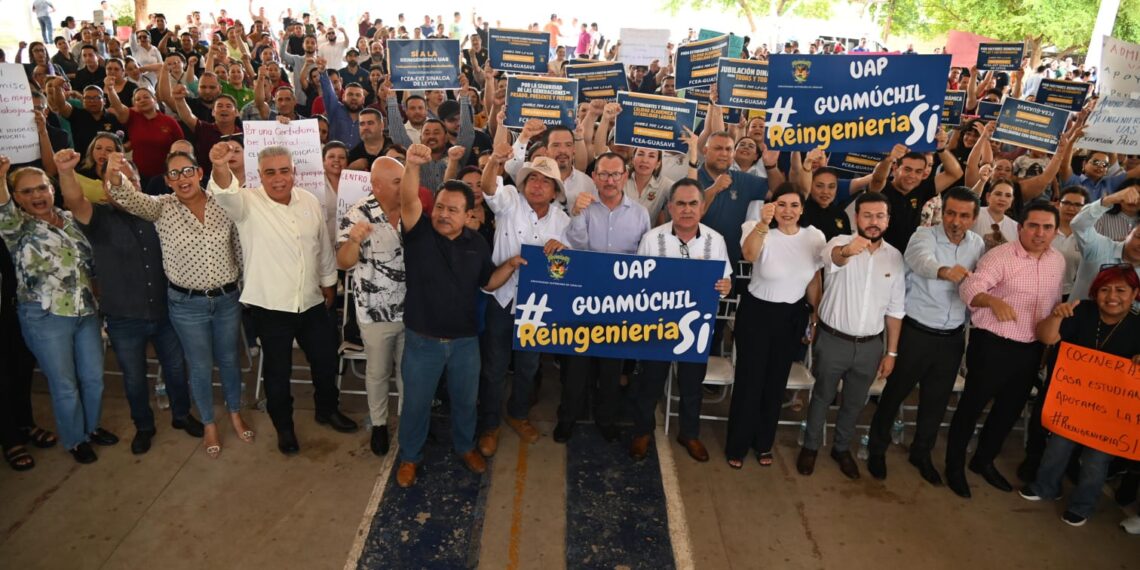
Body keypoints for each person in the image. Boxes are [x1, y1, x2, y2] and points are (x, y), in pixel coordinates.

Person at [207, 143, 358, 455]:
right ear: (259, 175)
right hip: (270, 306)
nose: (278, 179)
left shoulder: (309, 201)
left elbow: (322, 248)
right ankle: (284, 427)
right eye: (270, 173)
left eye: (284, 171)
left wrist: (329, 282)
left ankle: (327, 409)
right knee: (278, 372)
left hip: (312, 300)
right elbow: (224, 194)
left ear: (294, 172)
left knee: (326, 361)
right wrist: (221, 166)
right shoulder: (246, 203)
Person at [55, 148, 206, 455]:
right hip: (124, 317)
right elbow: (73, 201)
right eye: (116, 180)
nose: (124, 184)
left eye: (130, 178)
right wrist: (66, 172)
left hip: (165, 311)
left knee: (177, 370)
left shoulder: (160, 212)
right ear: (107, 187)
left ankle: (181, 415)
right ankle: (144, 426)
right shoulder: (97, 219)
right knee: (134, 378)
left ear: (138, 184)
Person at [393, 144, 525, 488]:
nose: (443, 214)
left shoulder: (477, 244)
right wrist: (411, 166)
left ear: (469, 215)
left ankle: (465, 447)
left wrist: (509, 267)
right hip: (422, 341)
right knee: (417, 405)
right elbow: (408, 200)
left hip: (466, 341)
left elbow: (487, 283)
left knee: (466, 402)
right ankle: (409, 456)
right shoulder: (418, 234)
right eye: (439, 207)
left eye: (453, 210)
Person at [106, 148, 252, 458]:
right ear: (167, 182)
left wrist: (244, 287)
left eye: (187, 171)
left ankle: (235, 413)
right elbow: (127, 197)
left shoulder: (222, 203)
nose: (181, 178)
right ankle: (210, 423)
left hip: (227, 299)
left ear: (200, 173)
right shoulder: (161, 208)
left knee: (228, 359)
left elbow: (237, 247)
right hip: (187, 305)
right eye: (174, 174)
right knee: (199, 366)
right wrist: (116, 173)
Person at [945, 202, 1065, 498]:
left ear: (1055, 231)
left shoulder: (1057, 260)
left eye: (1047, 227)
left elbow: (1051, 304)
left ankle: (983, 461)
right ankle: (954, 466)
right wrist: (991, 300)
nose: (1040, 233)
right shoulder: (1000, 256)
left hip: (1031, 347)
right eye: (1033, 226)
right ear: (1020, 227)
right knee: (972, 406)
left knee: (1008, 410)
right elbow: (969, 289)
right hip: (993, 345)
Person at [866, 187, 985, 483]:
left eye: (964, 215)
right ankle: (877, 450)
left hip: (953, 337)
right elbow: (920, 261)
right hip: (916, 332)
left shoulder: (978, 244)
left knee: (935, 401)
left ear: (974, 218)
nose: (955, 221)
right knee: (893, 395)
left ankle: (921, 453)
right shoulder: (924, 236)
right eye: (950, 213)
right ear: (942, 212)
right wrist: (945, 271)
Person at [0, 158, 115, 464]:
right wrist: (1, 177)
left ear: (52, 189)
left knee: (93, 378)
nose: (37, 195)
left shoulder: (68, 219)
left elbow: (89, 263)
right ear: (17, 197)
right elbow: (3, 213)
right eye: (26, 192)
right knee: (65, 385)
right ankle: (75, 439)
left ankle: (91, 428)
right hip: (45, 317)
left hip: (85, 311)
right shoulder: (17, 229)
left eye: (41, 188)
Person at [1021, 266, 1140, 526]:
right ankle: (1045, 486)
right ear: (1095, 293)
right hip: (1071, 404)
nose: (1112, 296)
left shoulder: (1137, 327)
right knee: (1057, 447)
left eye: (1121, 290)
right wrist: (1056, 316)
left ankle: (1083, 505)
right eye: (1104, 289)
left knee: (1096, 462)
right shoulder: (1080, 311)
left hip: (1109, 414)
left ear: (1134, 294)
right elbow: (1046, 337)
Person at [798, 192, 905, 480]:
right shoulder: (838, 243)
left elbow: (895, 310)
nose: (873, 222)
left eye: (879, 216)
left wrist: (891, 352)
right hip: (833, 340)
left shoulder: (895, 258)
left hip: (871, 346)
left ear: (887, 220)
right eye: (867, 215)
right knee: (822, 396)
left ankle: (841, 448)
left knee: (855, 402)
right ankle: (809, 446)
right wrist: (847, 251)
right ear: (856, 217)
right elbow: (833, 259)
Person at [627, 179, 733, 462]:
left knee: (691, 384)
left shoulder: (716, 240)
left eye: (693, 203)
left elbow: (726, 280)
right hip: (656, 324)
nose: (687, 210)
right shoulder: (653, 238)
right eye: (681, 204)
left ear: (702, 206)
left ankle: (689, 433)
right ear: (670, 207)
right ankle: (642, 431)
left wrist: (726, 286)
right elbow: (638, 281)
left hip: (696, 326)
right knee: (649, 382)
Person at [474, 152, 570, 457]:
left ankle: (517, 414)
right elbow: (489, 187)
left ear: (555, 191)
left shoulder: (564, 220)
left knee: (529, 366)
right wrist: (493, 163)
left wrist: (563, 250)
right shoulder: (509, 201)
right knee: (494, 367)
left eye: (546, 181)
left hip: (537, 306)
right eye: (533, 178)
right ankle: (489, 423)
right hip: (501, 297)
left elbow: (568, 266)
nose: (538, 185)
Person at [725, 184, 824, 469]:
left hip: (792, 316)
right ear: (772, 207)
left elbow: (814, 280)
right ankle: (738, 444)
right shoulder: (756, 227)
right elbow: (750, 255)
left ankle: (763, 442)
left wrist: (814, 317)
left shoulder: (813, 236)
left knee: (775, 382)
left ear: (802, 209)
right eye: (782, 205)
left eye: (794, 205)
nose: (788, 211)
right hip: (757, 314)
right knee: (750, 381)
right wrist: (763, 224)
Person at [559, 153, 651, 443]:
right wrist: (575, 215)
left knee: (611, 369)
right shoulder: (584, 207)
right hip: (583, 300)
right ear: (595, 176)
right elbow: (576, 249)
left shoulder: (640, 214)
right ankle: (568, 418)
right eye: (603, 174)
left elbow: (644, 259)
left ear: (625, 176)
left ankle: (606, 419)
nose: (609, 181)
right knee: (576, 367)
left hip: (619, 303)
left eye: (615, 174)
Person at [336, 157, 408, 457]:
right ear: (377, 185)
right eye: (397, 182)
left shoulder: (412, 210)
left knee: (408, 372)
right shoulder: (358, 214)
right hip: (376, 313)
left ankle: (407, 424)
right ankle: (379, 424)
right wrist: (354, 240)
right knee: (378, 372)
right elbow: (344, 261)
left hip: (413, 309)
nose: (404, 187)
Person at [870, 139, 961, 253]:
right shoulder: (882, 188)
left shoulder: (921, 189)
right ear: (895, 168)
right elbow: (877, 179)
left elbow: (955, 173)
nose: (912, 176)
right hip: (877, 255)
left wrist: (941, 148)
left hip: (908, 258)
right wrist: (889, 159)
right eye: (907, 170)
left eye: (918, 171)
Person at [1068, 184, 1140, 302]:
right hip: (1078, 318)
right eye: (1139, 237)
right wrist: (1108, 200)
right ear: (1128, 233)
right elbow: (1079, 225)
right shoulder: (1099, 247)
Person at [972, 179, 1019, 250]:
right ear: (988, 197)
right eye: (998, 194)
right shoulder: (974, 214)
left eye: (1008, 196)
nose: (1002, 199)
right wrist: (982, 181)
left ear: (1012, 200)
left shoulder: (1015, 227)